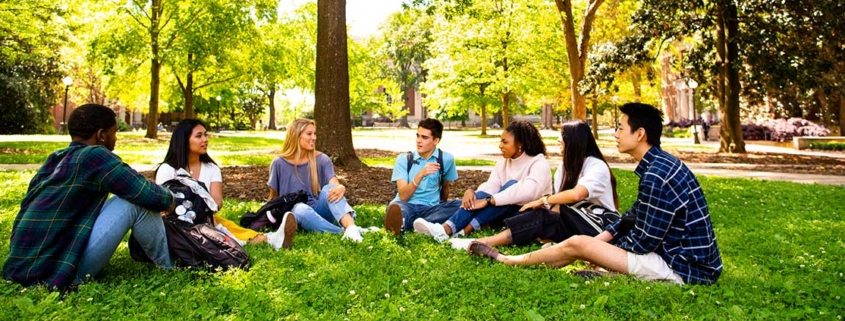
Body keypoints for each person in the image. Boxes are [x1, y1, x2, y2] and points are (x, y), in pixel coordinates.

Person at [468, 103, 723, 285]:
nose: (615, 134)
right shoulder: (660, 165)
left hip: (683, 268)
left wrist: (600, 252)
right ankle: (598, 267)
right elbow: (633, 216)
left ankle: (507, 260)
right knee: (582, 245)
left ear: (640, 134)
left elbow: (644, 242)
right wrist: (602, 243)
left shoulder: (657, 174)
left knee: (580, 244)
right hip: (682, 258)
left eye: (620, 128)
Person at [3, 104, 174, 289]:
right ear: (101, 135)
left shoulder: (56, 158)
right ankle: (169, 266)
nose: (115, 139)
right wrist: (171, 199)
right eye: (114, 133)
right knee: (132, 203)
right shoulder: (95, 155)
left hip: (21, 267)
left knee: (122, 200)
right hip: (55, 273)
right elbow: (147, 194)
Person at [449, 120, 619, 250]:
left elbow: (577, 195)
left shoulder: (597, 166)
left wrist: (542, 201)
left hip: (600, 226)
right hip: (573, 221)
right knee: (539, 216)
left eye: (562, 135)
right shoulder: (564, 168)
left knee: (539, 214)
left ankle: (480, 242)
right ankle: (453, 229)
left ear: (574, 140)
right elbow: (559, 207)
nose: (559, 139)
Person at [155, 119, 295, 250]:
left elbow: (217, 201)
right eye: (199, 136)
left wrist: (201, 213)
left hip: (205, 218)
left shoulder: (211, 168)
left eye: (205, 135)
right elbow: (162, 205)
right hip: (175, 224)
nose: (205, 140)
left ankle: (269, 239)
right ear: (184, 141)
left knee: (224, 226)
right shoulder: (168, 170)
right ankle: (269, 239)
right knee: (219, 228)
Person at [414, 120, 552, 242]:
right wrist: (473, 193)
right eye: (500, 141)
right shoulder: (503, 163)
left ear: (520, 145)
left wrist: (489, 200)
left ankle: (464, 230)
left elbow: (528, 192)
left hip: (529, 215)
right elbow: (492, 185)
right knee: (484, 195)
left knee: (510, 188)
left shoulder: (538, 163)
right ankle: (448, 229)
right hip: (501, 215)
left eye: (505, 142)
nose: (500, 145)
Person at [267, 119, 375, 242]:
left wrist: (340, 187)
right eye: (309, 134)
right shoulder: (278, 163)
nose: (314, 137)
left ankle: (351, 228)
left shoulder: (322, 159)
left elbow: (333, 183)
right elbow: (273, 198)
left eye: (315, 133)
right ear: (296, 135)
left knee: (330, 189)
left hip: (319, 211)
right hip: (294, 215)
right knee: (300, 208)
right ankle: (342, 232)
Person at [384, 118, 460, 235]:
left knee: (460, 204)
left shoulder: (446, 159)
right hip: (406, 205)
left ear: (435, 140)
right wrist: (420, 175)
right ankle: (411, 224)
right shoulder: (404, 159)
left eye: (424, 138)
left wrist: (442, 208)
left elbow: (445, 187)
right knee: (397, 208)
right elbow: (403, 196)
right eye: (418, 136)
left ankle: (410, 224)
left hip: (431, 209)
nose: (419, 141)